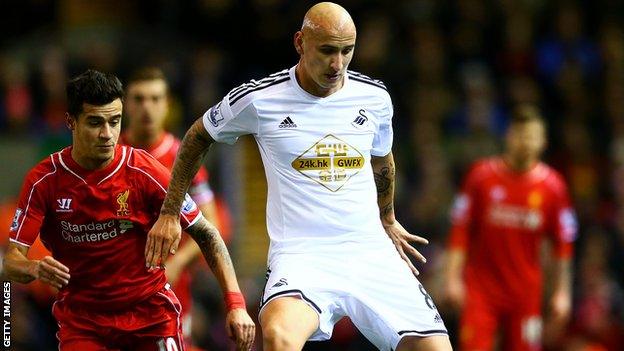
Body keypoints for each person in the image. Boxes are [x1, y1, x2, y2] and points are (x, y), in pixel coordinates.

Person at [146, 3, 452, 351]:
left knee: (435, 347)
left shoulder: (375, 96)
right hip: (302, 254)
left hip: (370, 251)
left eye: (346, 51)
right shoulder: (260, 99)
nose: (337, 64)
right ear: (300, 43)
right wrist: (170, 212)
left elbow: (382, 159)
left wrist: (387, 216)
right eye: (327, 50)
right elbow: (197, 137)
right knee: (279, 337)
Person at [2, 69, 255, 351]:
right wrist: (33, 267)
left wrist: (235, 304)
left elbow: (208, 232)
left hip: (150, 317)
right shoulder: (44, 180)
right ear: (71, 122)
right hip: (84, 325)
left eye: (114, 122)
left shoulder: (145, 171)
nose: (107, 134)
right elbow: (11, 261)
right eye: (95, 123)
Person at [443, 105, 577, 351]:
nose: (525, 142)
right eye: (520, 135)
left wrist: (562, 293)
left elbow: (564, 245)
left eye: (532, 136)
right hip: (481, 291)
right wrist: (452, 278)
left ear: (543, 142)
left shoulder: (553, 187)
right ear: (509, 136)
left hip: (525, 294)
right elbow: (460, 230)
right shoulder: (481, 176)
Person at [121, 67, 221, 349]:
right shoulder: (110, 152)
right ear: (126, 104)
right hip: (116, 284)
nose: (147, 107)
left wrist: (176, 263)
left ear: (167, 105)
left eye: (155, 99)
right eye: (139, 99)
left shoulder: (183, 156)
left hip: (170, 288)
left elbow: (212, 225)